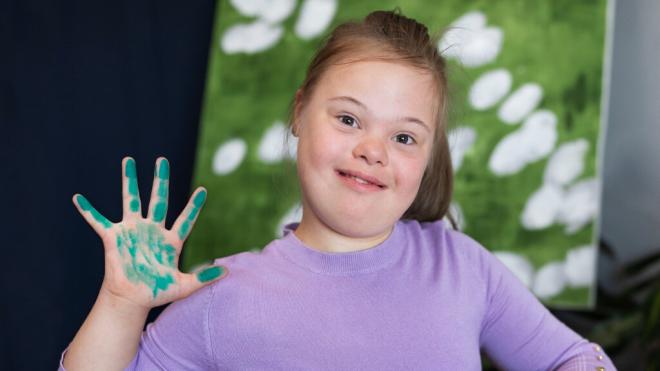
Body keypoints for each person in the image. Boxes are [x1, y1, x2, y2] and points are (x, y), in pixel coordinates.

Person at [60, 9, 616, 370]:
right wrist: (121, 304)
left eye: (403, 136)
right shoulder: (221, 297)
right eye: (349, 120)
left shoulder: (462, 268)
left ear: (428, 158)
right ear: (300, 112)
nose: (373, 150)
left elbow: (571, 357)